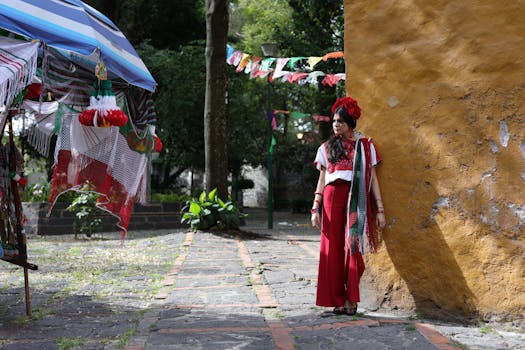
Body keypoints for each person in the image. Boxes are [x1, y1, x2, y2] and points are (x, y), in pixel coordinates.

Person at [311, 96, 386, 315]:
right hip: (331, 199)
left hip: (356, 200)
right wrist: (315, 207)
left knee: (352, 247)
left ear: (351, 123)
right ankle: (337, 299)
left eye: (341, 121)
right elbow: (323, 178)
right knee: (332, 250)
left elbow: (373, 179)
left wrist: (380, 209)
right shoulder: (326, 147)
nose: (336, 124)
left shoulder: (365, 146)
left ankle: (351, 299)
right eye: (334, 120)